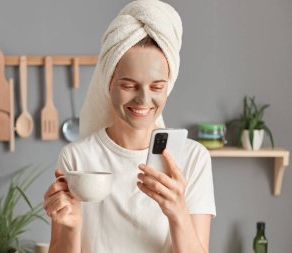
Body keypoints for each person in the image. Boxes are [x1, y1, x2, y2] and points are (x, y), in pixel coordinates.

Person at [43, 1, 216, 252]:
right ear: (108, 82)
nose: (144, 100)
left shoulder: (192, 159)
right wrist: (71, 226)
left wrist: (177, 213)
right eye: (129, 85)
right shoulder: (78, 158)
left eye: (157, 87)